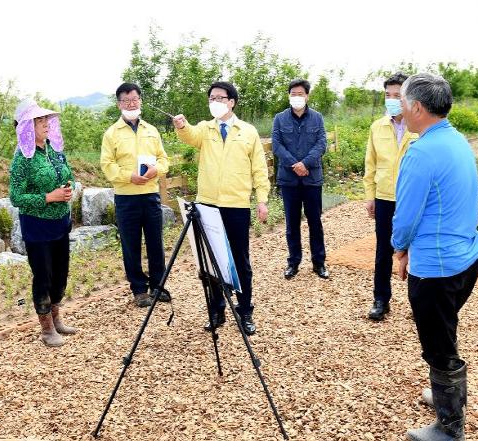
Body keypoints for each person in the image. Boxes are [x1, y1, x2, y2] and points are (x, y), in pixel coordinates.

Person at [392, 73, 478, 440]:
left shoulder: (420, 152)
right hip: (466, 258)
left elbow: (406, 216)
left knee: (438, 346)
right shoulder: (457, 141)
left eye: (402, 102)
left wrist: (399, 248)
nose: (399, 109)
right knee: (445, 331)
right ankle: (446, 396)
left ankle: (450, 429)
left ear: (417, 107)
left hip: (436, 268)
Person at [172, 81, 270, 335]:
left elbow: (259, 169)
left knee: (240, 260)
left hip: (236, 205)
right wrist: (181, 126)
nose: (215, 102)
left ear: (231, 102)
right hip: (207, 205)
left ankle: (245, 310)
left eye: (219, 98)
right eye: (211, 98)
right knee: (210, 261)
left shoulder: (247, 131)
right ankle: (216, 310)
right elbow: (190, 135)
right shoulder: (205, 129)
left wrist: (262, 199)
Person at [9, 98, 77, 347]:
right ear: (26, 126)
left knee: (60, 274)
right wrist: (48, 197)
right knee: (43, 276)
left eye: (46, 119)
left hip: (60, 223)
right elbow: (16, 197)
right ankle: (46, 329)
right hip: (37, 227)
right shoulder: (22, 158)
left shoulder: (55, 150)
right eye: (39, 120)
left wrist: (69, 188)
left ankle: (56, 319)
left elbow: (69, 175)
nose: (46, 123)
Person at [100, 83, 170, 307]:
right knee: (131, 245)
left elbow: (163, 159)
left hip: (150, 195)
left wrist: (156, 170)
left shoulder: (151, 130)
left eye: (134, 99)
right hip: (126, 197)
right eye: (126, 100)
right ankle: (139, 289)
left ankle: (158, 286)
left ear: (140, 101)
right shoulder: (112, 133)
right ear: (119, 104)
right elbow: (107, 165)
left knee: (155, 242)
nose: (131, 104)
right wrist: (128, 176)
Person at [363, 72, 418, 321]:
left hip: (412, 197)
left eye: (397, 95)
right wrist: (370, 196)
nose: (392, 100)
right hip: (385, 197)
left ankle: (418, 302)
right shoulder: (377, 127)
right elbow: (370, 165)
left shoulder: (418, 128)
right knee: (383, 250)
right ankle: (381, 300)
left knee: (416, 249)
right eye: (388, 95)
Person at [272, 79, 328, 280]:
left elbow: (321, 144)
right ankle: (293, 262)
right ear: (289, 96)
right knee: (292, 224)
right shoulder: (280, 119)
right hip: (289, 180)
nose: (296, 97)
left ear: (307, 96)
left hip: (312, 179)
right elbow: (277, 145)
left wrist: (305, 163)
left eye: (300, 94)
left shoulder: (317, 118)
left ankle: (319, 263)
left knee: (315, 222)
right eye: (293, 94)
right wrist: (294, 164)